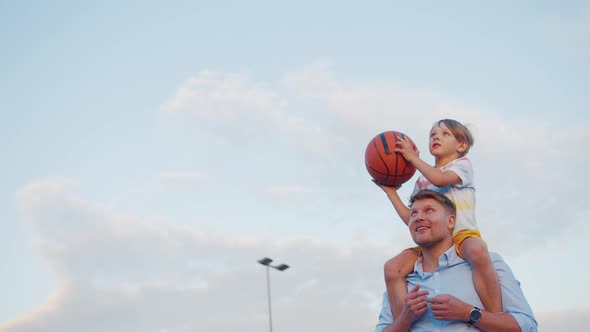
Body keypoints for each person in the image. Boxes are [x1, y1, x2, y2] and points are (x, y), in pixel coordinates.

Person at [374, 119, 502, 319]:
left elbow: (440, 179)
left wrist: (412, 158)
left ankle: (496, 315)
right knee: (393, 268)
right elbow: (412, 218)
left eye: (445, 134)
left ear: (461, 146)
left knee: (477, 251)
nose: (436, 137)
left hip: (461, 235)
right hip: (431, 245)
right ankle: (404, 322)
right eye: (432, 134)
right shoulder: (421, 181)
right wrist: (391, 193)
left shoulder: (462, 165)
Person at [374, 189, 537, 331]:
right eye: (413, 213)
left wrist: (467, 312)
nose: (418, 217)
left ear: (451, 221)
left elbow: (527, 326)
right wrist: (405, 319)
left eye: (429, 210)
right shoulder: (401, 280)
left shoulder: (488, 263)